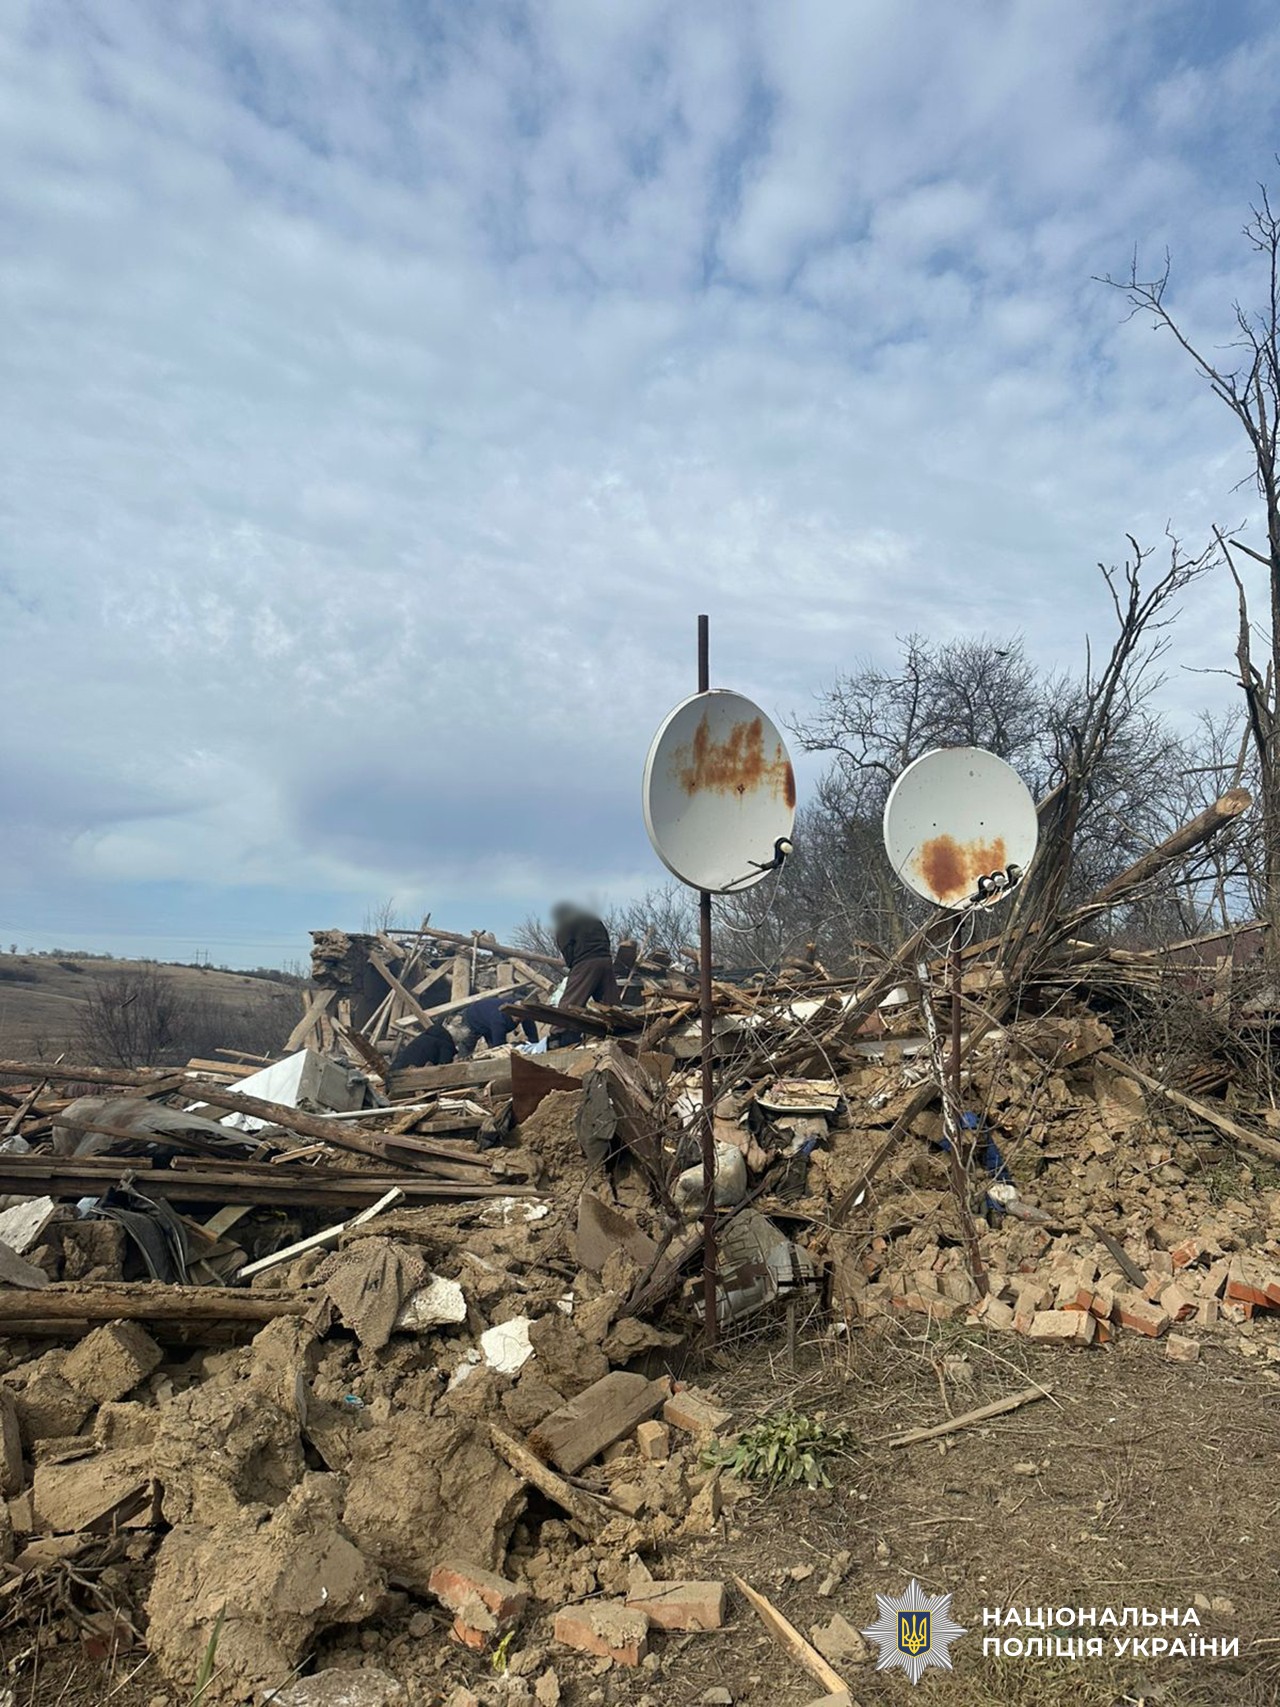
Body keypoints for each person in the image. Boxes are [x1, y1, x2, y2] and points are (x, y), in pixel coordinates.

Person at [552, 902, 621, 1007]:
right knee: (611, 1005)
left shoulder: (566, 924)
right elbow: (606, 939)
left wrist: (572, 965)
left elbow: (566, 947)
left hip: (586, 962)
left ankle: (560, 1023)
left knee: (570, 1003)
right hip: (606, 961)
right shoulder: (595, 920)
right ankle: (619, 1022)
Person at [446, 993, 538, 1058]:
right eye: (517, 1019)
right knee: (467, 1047)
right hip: (473, 1019)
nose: (519, 1021)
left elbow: (531, 1031)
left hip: (487, 1017)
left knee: (493, 1050)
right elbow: (499, 1046)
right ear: (511, 1014)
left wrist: (535, 1047)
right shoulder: (499, 1020)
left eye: (522, 1019)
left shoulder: (522, 1010)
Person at [389, 1022, 456, 1071]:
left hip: (395, 1068)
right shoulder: (447, 1045)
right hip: (410, 1074)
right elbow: (444, 1067)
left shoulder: (423, 1037)